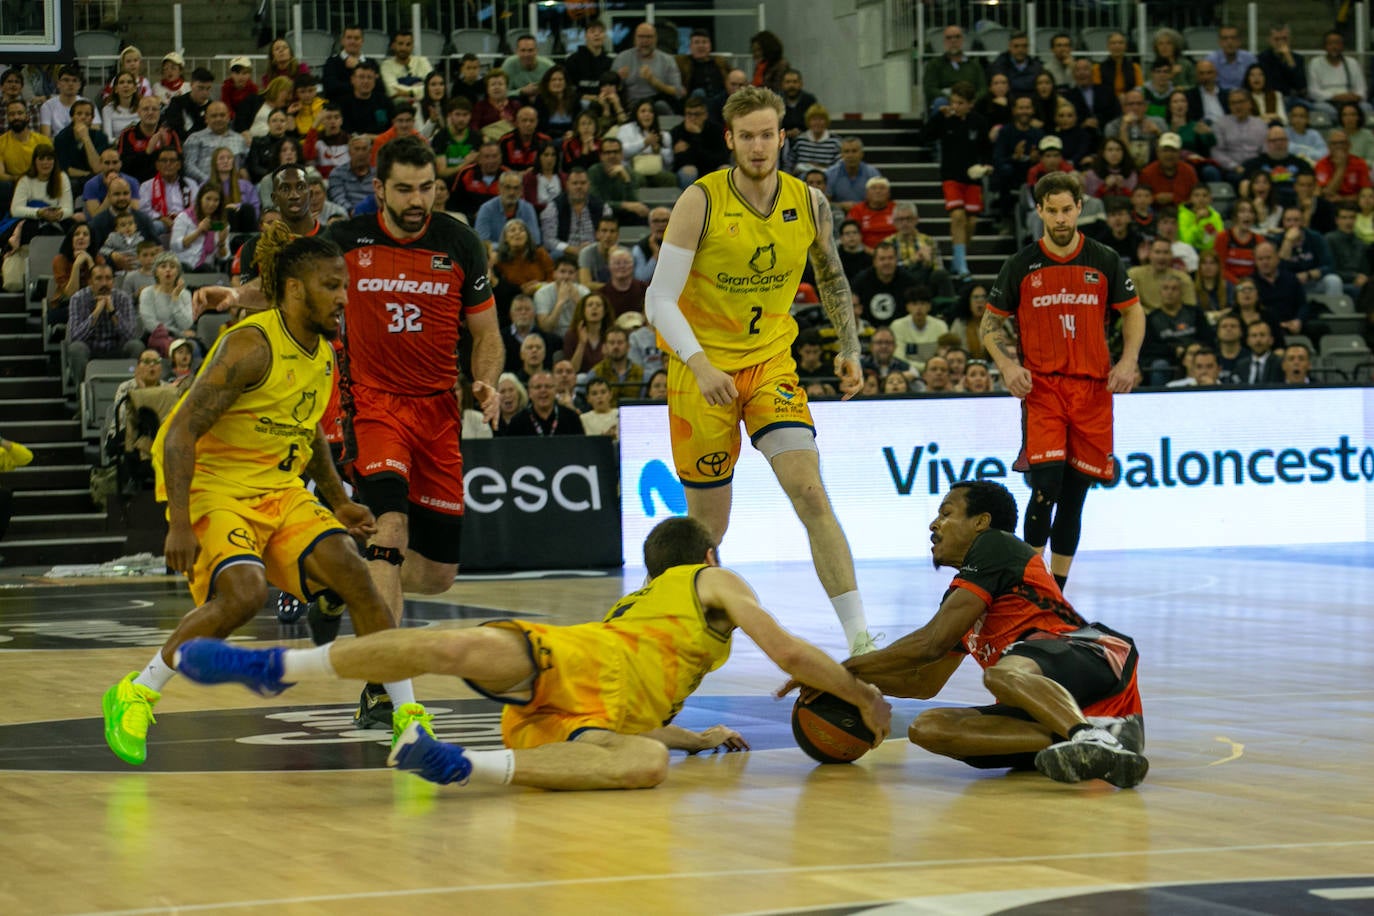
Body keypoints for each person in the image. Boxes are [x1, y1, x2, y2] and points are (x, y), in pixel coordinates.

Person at [175, 515, 892, 789]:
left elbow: (642, 720)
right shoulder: (712, 577)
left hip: (593, 710)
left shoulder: (637, 605)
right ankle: (275, 667)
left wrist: (692, 735)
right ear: (708, 555)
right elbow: (792, 654)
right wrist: (861, 693)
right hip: (582, 664)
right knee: (456, 645)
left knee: (645, 760)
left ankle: (460, 765)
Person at [100, 222, 428, 767]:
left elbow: (308, 431)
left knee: (355, 573)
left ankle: (409, 720)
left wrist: (337, 499)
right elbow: (181, 431)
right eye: (331, 286)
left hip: (277, 486)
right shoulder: (250, 346)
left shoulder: (323, 351)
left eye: (345, 286)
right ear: (296, 289)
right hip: (218, 487)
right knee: (245, 595)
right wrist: (179, 522)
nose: (344, 298)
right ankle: (136, 691)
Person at [644, 87, 877, 655]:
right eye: (745, 135)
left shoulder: (809, 202)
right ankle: (665, 640)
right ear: (730, 140)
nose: (757, 145)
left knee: (811, 494)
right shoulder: (700, 202)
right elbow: (658, 299)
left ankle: (863, 642)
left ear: (782, 138)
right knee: (707, 534)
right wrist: (699, 366)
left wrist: (852, 348)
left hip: (770, 362)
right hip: (701, 371)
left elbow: (832, 277)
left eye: (766, 134)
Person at [839, 480, 1146, 787]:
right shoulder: (963, 598)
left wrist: (847, 669)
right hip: (1055, 700)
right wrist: (846, 684)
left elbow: (931, 644)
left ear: (981, 522)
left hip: (1093, 658)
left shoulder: (995, 543)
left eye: (946, 513)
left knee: (1000, 675)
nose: (934, 524)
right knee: (927, 727)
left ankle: (1090, 738)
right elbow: (923, 681)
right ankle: (1098, 737)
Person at [984, 172, 1144, 590]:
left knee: (1074, 497)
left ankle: (1055, 592)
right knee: (1045, 487)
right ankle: (1030, 585)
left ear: (1080, 207)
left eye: (1067, 210)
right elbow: (989, 324)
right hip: (1044, 389)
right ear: (1038, 210)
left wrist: (1128, 361)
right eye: (1051, 210)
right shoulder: (1021, 264)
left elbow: (1134, 311)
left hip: (1093, 390)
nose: (1059, 218)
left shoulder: (1103, 259)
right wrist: (1007, 366)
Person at [505, 369, 585, 437]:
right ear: (529, 393)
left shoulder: (571, 418)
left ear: (555, 391)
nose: (543, 390)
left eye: (548, 386)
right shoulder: (517, 422)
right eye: (538, 387)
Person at [380, 29, 434, 102]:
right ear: (393, 46)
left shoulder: (422, 61)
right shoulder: (386, 66)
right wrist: (419, 89)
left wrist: (408, 92)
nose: (404, 48)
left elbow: (433, 87)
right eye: (400, 44)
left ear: (412, 46)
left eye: (408, 44)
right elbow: (392, 91)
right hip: (398, 109)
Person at [501, 34, 553, 102]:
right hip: (516, 104)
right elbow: (501, 94)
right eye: (523, 50)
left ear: (537, 51)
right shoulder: (509, 65)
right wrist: (521, 91)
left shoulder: (548, 66)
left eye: (530, 50)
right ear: (517, 51)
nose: (526, 54)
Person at [1233, 319, 1285, 384]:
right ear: (1248, 341)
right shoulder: (1241, 365)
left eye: (1262, 335)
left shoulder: (1280, 363)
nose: (1258, 339)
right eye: (1254, 335)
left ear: (1271, 340)